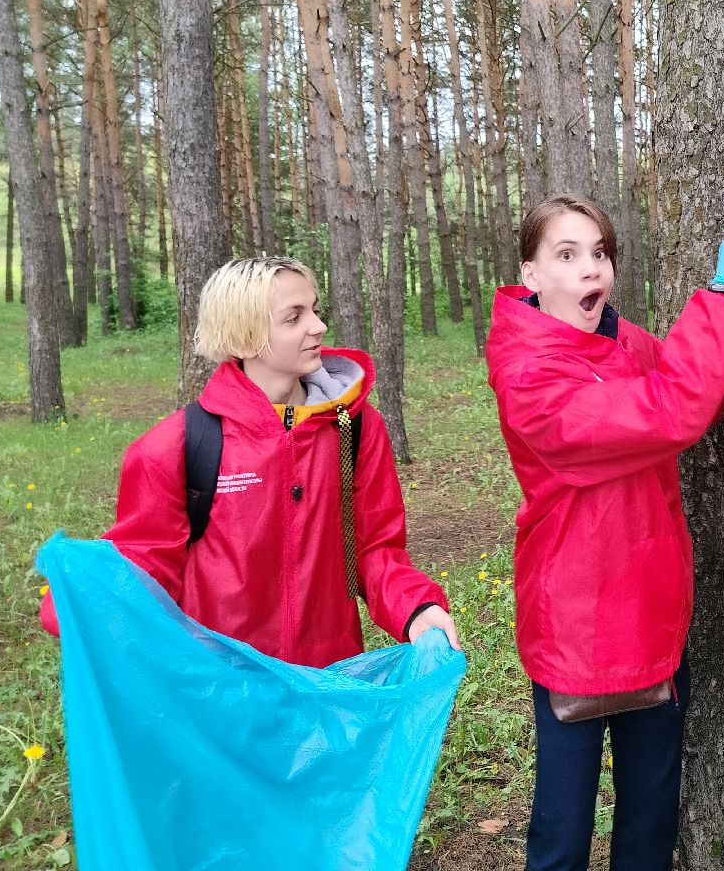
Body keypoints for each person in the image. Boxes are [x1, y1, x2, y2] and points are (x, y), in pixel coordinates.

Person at [485, 193, 724, 871]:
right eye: (568, 254)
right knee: (562, 834)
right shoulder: (528, 375)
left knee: (650, 824)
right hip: (576, 630)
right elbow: (670, 410)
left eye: (601, 253)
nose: (593, 269)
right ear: (531, 275)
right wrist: (723, 292)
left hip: (652, 616)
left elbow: (692, 381)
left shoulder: (623, 340)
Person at [41, 256, 457, 667]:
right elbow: (146, 564)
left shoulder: (355, 428)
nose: (319, 326)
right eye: (294, 318)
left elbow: (374, 551)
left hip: (327, 684)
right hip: (219, 690)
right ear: (243, 339)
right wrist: (84, 596)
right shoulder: (176, 446)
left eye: (314, 309)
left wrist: (415, 608)